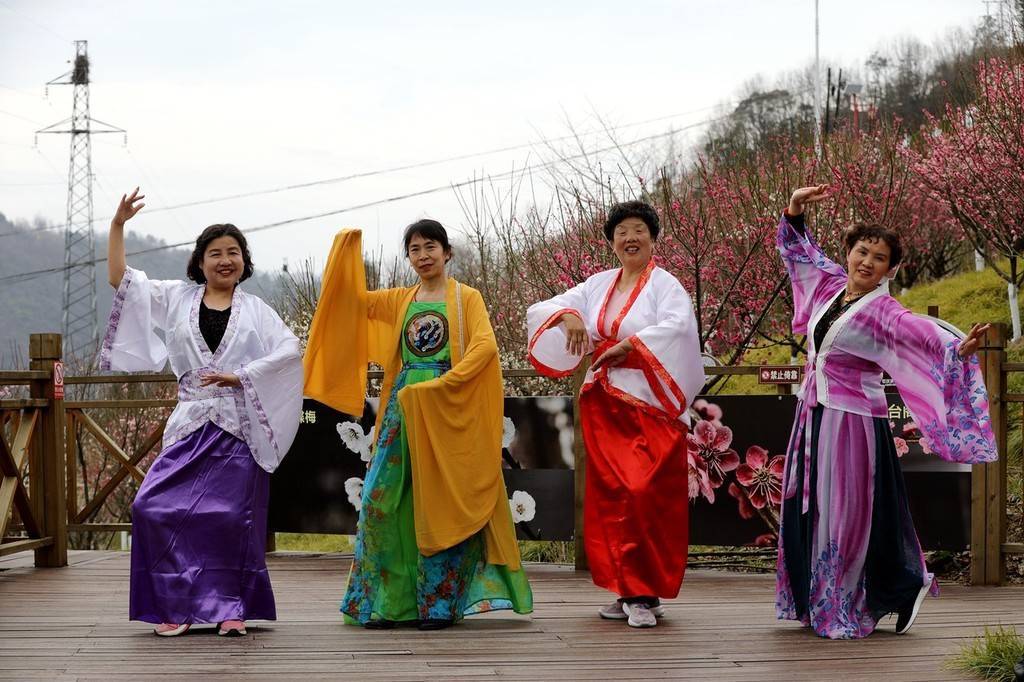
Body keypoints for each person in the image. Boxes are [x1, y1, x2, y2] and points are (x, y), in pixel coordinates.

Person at [775, 184, 997, 639]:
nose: (866, 262)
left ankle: (865, 595)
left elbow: (926, 337)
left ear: (890, 269)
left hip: (853, 422)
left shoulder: (887, 313)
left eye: (878, 258)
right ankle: (817, 600)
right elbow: (801, 255)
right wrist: (795, 209)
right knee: (811, 507)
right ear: (850, 254)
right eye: (861, 251)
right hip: (814, 414)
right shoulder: (830, 289)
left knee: (846, 512)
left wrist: (959, 348)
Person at [304, 219, 532, 630]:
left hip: (447, 405)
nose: (423, 255)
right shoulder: (399, 300)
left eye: (431, 246)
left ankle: (438, 605)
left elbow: (484, 346)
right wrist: (346, 249)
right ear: (408, 257)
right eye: (414, 249)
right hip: (403, 405)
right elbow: (349, 301)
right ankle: (384, 604)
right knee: (380, 499)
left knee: (442, 502)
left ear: (447, 253)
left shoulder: (467, 299)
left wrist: (444, 384)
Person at [100, 188, 303, 637]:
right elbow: (120, 280)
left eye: (233, 252)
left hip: (237, 428)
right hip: (191, 424)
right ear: (200, 261)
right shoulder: (176, 298)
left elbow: (290, 350)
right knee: (151, 507)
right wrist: (117, 225)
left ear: (244, 262)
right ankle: (172, 606)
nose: (225, 260)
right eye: (215, 253)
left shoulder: (258, 312)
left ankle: (231, 608)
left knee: (232, 519)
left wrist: (242, 376)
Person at [526, 200, 704, 628]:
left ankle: (645, 589)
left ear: (653, 237)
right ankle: (629, 591)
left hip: (651, 404)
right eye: (622, 230)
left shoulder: (665, 285)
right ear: (611, 241)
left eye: (639, 229)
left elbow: (679, 328)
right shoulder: (597, 284)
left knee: (644, 493)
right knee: (613, 497)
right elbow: (547, 307)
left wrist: (631, 345)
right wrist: (569, 317)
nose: (630, 237)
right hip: (605, 402)